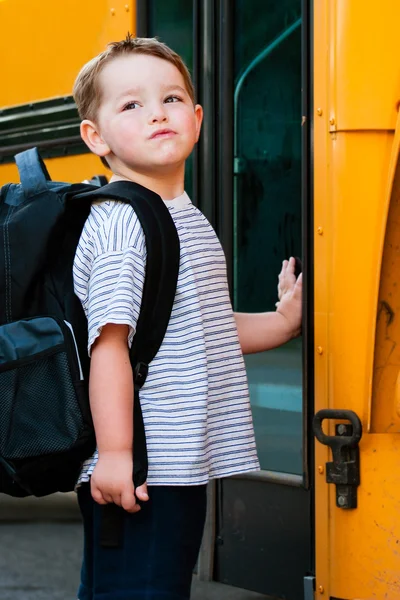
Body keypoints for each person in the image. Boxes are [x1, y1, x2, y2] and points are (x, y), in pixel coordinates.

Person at [72, 35, 302, 600]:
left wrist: (283, 323)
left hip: (178, 461)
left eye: (171, 98)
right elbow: (109, 347)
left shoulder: (183, 216)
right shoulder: (124, 223)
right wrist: (118, 457)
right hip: (145, 467)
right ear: (94, 137)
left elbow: (204, 331)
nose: (156, 112)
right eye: (131, 105)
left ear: (197, 120)